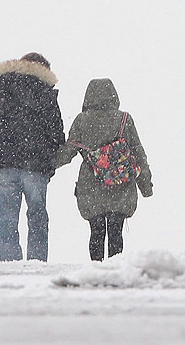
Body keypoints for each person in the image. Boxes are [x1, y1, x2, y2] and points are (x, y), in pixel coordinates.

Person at [0, 52, 65, 261]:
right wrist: (49, 157)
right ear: (43, 69)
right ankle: (37, 263)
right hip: (36, 166)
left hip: (4, 167)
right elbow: (57, 133)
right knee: (38, 217)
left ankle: (9, 264)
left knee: (6, 218)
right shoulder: (43, 91)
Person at [54, 78, 153, 260]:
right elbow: (138, 153)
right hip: (121, 185)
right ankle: (115, 269)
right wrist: (146, 185)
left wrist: (45, 165)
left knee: (96, 232)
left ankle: (96, 270)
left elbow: (68, 153)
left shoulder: (82, 120)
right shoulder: (124, 119)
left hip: (92, 186)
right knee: (116, 231)